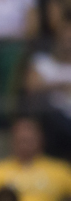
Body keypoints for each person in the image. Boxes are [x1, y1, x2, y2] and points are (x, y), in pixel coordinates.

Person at [26, 25, 71, 158]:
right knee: (53, 116)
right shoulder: (42, 62)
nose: (68, 45)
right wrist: (60, 85)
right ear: (57, 40)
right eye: (66, 40)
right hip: (51, 116)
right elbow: (31, 87)